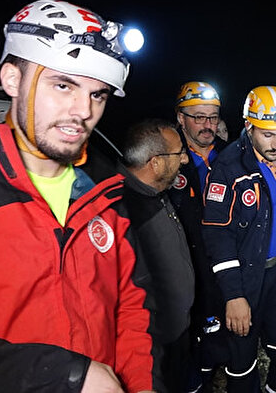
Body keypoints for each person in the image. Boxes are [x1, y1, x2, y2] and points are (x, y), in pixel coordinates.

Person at [0, 0, 158, 392]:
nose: (83, 111)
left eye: (98, 95)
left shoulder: (106, 195)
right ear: (12, 80)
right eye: (64, 85)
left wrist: (141, 385)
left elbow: (130, 308)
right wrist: (66, 375)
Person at [202, 85, 276, 392]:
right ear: (249, 126)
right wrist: (234, 296)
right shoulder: (228, 168)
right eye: (267, 134)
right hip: (246, 277)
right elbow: (217, 234)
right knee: (242, 359)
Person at [119, 119, 195, 392]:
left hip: (176, 334)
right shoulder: (124, 211)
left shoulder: (155, 194)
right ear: (156, 162)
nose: (185, 159)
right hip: (153, 348)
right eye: (178, 154)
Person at [168, 80, 230, 391]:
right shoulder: (167, 157)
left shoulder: (231, 156)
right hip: (184, 262)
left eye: (212, 117)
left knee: (221, 328)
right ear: (180, 118)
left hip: (222, 258)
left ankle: (218, 368)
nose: (207, 125)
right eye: (198, 117)